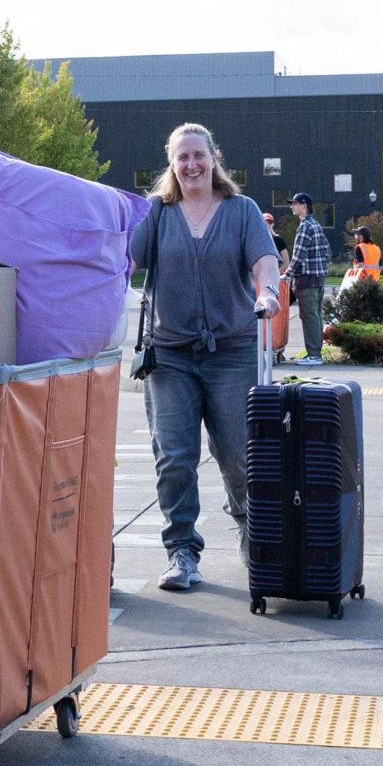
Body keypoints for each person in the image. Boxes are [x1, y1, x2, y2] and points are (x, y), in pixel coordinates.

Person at [130, 123, 280, 591]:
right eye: (182, 158)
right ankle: (181, 551)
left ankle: (250, 532)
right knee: (173, 457)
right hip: (169, 354)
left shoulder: (241, 211)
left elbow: (264, 259)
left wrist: (269, 293)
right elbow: (124, 261)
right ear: (171, 165)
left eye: (199, 155)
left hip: (232, 351)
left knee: (239, 455)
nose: (192, 165)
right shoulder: (156, 213)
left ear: (214, 158)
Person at [286, 191, 330, 367]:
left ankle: (314, 355)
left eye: (295, 203)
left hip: (306, 280)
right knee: (316, 316)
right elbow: (327, 251)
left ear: (304, 206)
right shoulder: (316, 225)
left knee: (309, 317)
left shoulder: (304, 227)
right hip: (318, 279)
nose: (292, 206)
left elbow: (298, 256)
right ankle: (315, 352)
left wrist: (287, 274)